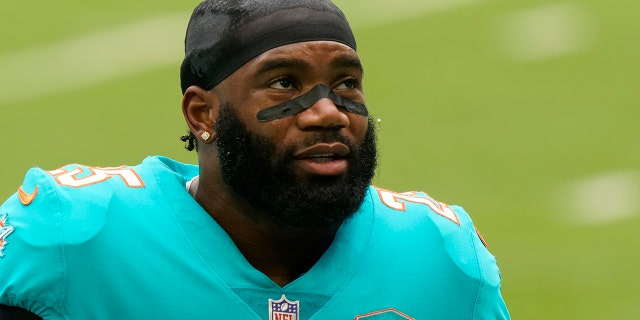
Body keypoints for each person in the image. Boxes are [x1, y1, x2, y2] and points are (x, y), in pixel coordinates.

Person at [0, 0, 510, 319]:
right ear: (203, 114)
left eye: (346, 83)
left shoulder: (442, 255)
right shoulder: (71, 232)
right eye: (284, 83)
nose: (329, 112)